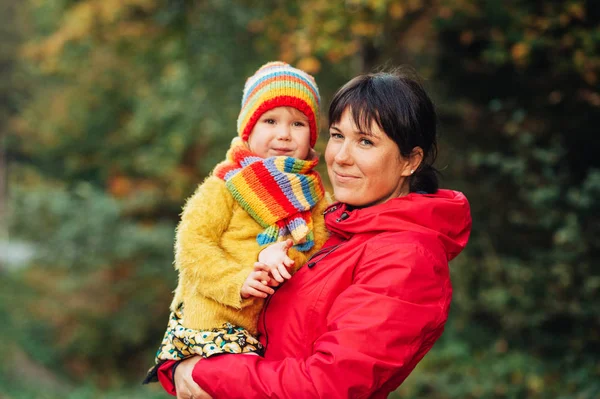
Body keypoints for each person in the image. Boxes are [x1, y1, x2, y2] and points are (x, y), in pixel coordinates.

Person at [157, 68, 472, 398]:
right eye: (337, 136)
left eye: (365, 141)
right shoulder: (333, 225)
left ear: (410, 161)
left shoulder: (406, 258)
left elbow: (327, 386)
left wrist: (204, 372)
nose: (340, 158)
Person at [143, 61, 330, 383]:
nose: (284, 134)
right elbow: (192, 246)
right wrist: (239, 279)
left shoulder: (314, 195)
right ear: (248, 129)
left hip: (272, 335)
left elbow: (322, 253)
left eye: (298, 124)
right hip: (214, 325)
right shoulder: (226, 183)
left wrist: (282, 257)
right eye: (270, 120)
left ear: (312, 135)